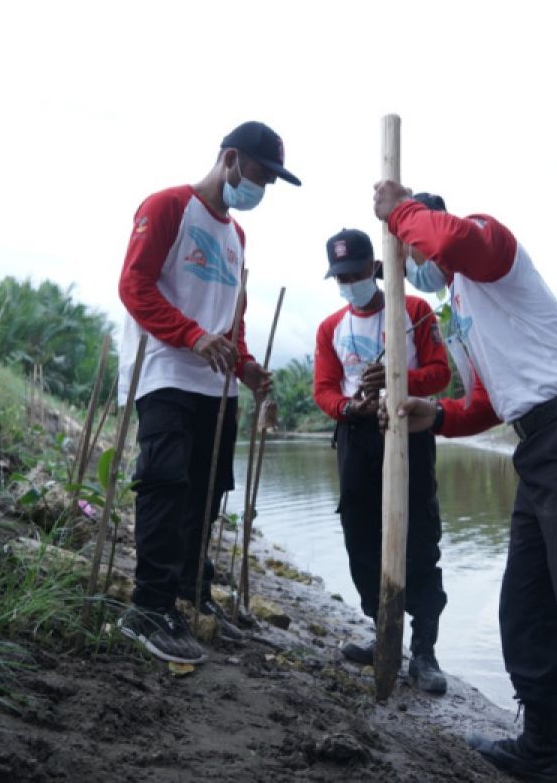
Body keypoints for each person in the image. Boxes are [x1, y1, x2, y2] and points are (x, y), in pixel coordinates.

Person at [374, 183, 557, 782]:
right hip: (538, 448)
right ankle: (541, 748)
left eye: (409, 253)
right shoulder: (458, 306)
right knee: (527, 610)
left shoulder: (488, 246)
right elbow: (489, 399)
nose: (412, 269)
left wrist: (398, 209)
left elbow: (449, 237)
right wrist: (439, 417)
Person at [114, 121, 299, 665]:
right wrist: (191, 335)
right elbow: (134, 285)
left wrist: (247, 369)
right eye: (261, 175)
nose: (261, 190)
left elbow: (232, 323)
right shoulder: (169, 206)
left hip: (215, 388)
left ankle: (190, 596)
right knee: (166, 483)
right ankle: (147, 606)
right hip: (166, 371)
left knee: (207, 490)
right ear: (232, 159)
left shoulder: (236, 236)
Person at [312, 226, 451, 694]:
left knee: (420, 534)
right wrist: (349, 407)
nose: (349, 281)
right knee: (361, 534)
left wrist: (399, 377)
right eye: (340, 276)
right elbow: (325, 389)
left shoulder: (413, 312)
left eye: (355, 273)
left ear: (376, 268)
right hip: (357, 439)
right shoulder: (331, 328)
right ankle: (382, 633)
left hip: (408, 433)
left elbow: (440, 371)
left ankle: (425, 650)